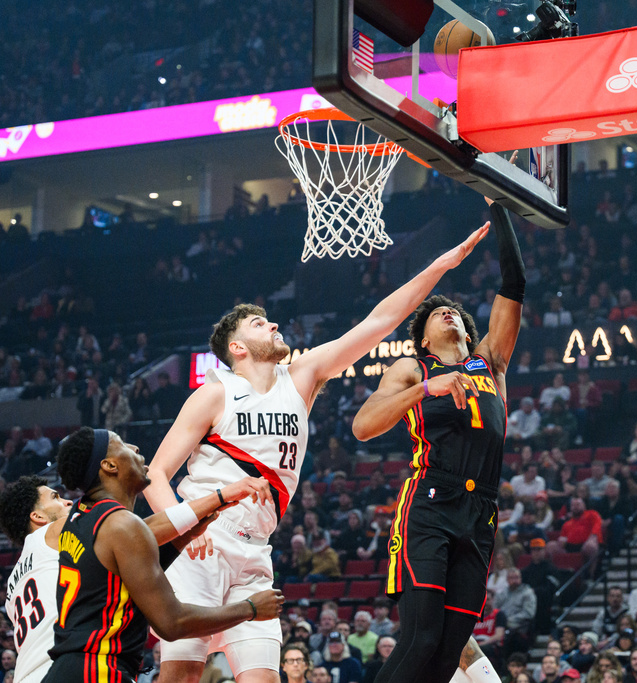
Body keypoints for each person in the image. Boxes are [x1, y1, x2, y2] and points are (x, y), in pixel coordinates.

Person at [144, 227, 490, 683]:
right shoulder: (216, 392)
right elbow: (155, 474)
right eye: (258, 324)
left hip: (255, 554)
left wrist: (440, 266)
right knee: (181, 678)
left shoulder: (302, 376)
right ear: (237, 347)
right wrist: (184, 524)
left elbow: (378, 322)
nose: (272, 324)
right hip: (202, 543)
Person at [350, 200, 525, 683]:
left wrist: (500, 207)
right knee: (421, 638)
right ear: (424, 341)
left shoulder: (489, 363)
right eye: (437, 313)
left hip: (482, 511)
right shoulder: (413, 369)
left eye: (453, 312)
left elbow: (515, 284)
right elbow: (363, 426)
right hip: (430, 501)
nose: (447, 312)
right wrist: (427, 388)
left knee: (448, 655)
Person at [42, 428, 285, 683]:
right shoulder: (121, 524)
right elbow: (172, 624)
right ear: (110, 465)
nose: (135, 448)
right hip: (98, 670)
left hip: (69, 669)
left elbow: (126, 569)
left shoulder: (80, 518)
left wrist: (184, 537)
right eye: (123, 445)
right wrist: (250, 608)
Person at [0, 471, 271, 683]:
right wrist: (220, 497)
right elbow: (134, 530)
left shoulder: (14, 585)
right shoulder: (53, 532)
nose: (66, 500)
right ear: (38, 517)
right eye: (54, 497)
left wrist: (184, 537)